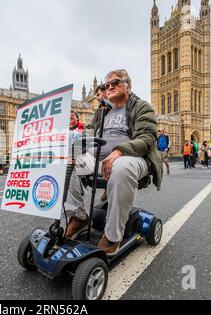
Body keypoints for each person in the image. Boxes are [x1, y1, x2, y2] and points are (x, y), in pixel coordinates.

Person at [63, 69, 162, 256]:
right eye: (106, 85)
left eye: (115, 83)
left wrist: (119, 151)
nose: (109, 87)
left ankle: (112, 235)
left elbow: (147, 139)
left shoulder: (141, 107)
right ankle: (77, 217)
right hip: (98, 158)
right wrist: (74, 151)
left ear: (128, 86)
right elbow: (89, 133)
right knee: (68, 161)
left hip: (133, 159)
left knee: (122, 166)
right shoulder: (102, 110)